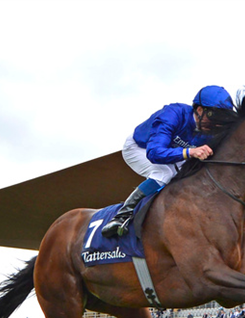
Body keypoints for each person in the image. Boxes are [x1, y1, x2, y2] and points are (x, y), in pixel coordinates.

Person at [101, 85, 235, 237]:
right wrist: (190, 151)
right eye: (212, 117)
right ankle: (121, 216)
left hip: (171, 151)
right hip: (141, 148)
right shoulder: (173, 114)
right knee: (165, 172)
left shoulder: (208, 130)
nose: (215, 124)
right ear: (199, 110)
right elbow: (155, 153)